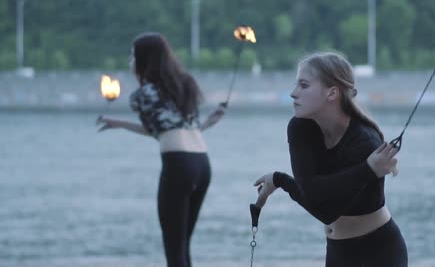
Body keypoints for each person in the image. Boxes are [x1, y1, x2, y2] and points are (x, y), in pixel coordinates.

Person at [254, 52, 407, 267]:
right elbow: (312, 191)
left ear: (332, 93)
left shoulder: (365, 142)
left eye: (304, 85)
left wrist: (368, 168)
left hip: (378, 252)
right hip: (338, 251)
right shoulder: (300, 127)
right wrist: (278, 179)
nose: (293, 93)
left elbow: (326, 211)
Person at [97, 32, 226, 267]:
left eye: (132, 55)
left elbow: (159, 132)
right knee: (183, 244)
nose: (130, 61)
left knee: (173, 248)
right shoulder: (185, 84)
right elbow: (181, 129)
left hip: (178, 166)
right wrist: (119, 123)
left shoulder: (142, 95)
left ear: (144, 59)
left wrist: (119, 123)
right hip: (202, 164)